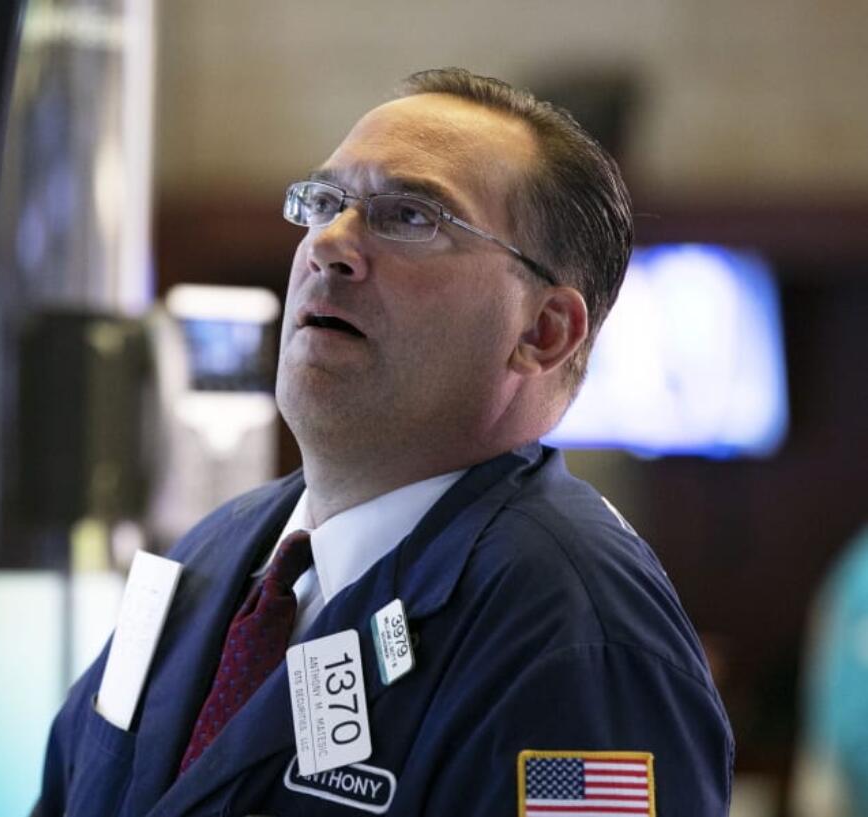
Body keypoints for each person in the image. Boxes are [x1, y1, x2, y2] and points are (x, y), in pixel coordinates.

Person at [37, 67, 734, 816]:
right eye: (325, 203)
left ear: (542, 331)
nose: (330, 244)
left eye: (411, 217)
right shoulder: (212, 556)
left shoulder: (579, 637)